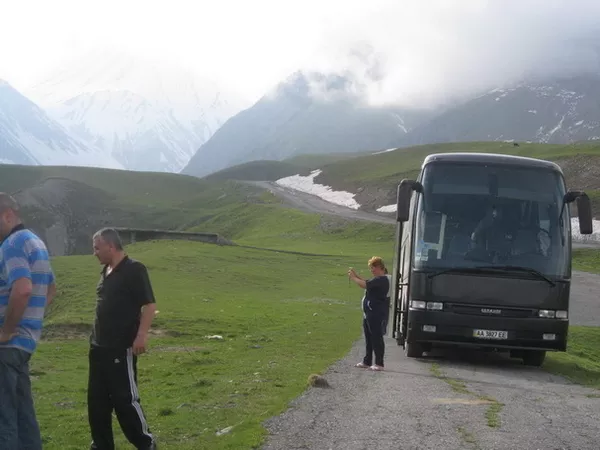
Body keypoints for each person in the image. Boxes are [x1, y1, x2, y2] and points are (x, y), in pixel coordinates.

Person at [88, 227, 158, 450]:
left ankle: (146, 444)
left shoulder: (134, 269)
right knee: (97, 403)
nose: (94, 253)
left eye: (97, 248)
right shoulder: (106, 271)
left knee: (125, 400)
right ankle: (101, 446)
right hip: (98, 348)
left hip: (120, 347)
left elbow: (149, 305)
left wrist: (141, 336)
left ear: (111, 246)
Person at [0, 193, 56, 450]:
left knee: (4, 420)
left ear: (7, 215)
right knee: (24, 416)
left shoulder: (11, 244)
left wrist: (6, 330)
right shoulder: (35, 242)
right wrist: (32, 319)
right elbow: (51, 287)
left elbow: (22, 289)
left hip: (6, 346)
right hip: (25, 343)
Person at [348, 256, 390, 372]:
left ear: (379, 267)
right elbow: (366, 282)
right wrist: (356, 275)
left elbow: (365, 285)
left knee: (376, 338)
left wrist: (353, 278)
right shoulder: (377, 280)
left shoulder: (382, 280)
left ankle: (379, 363)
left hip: (375, 313)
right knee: (369, 338)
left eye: (373, 268)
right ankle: (367, 361)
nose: (371, 270)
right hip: (369, 314)